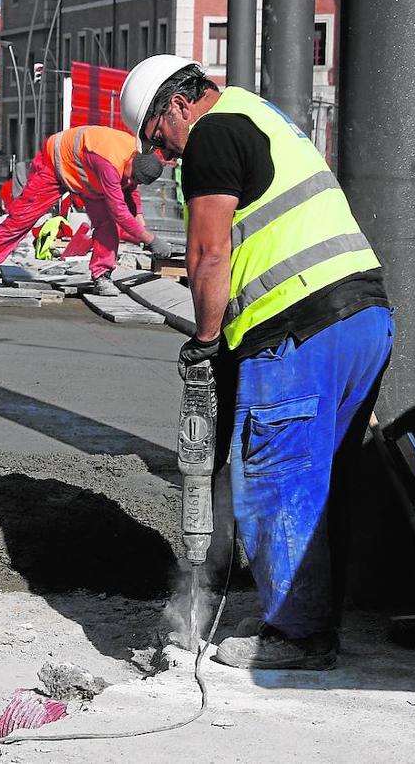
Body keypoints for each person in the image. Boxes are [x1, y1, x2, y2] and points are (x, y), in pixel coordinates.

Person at [121, 55, 394, 670]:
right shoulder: (260, 114)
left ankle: (296, 637)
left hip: (298, 324)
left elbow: (209, 255)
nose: (162, 156)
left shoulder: (211, 136)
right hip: (363, 316)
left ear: (176, 105)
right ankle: (307, 619)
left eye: (158, 138)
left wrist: (206, 343)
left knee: (277, 477)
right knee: (321, 481)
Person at [0, 125, 173, 296]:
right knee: (19, 220)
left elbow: (131, 190)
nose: (131, 180)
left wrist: (141, 218)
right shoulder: (109, 163)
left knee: (107, 225)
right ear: (133, 162)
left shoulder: (137, 159)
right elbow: (120, 211)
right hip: (56, 164)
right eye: (132, 176)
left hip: (86, 176)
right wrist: (150, 239)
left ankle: (102, 275)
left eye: (136, 180)